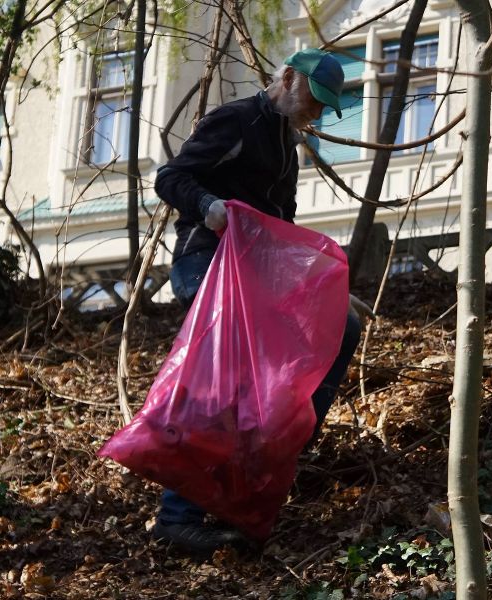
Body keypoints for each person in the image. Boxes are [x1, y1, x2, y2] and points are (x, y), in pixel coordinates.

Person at [151, 48, 362, 556]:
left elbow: (281, 228)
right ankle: (176, 517)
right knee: (227, 377)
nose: (314, 113)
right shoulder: (236, 120)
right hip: (204, 263)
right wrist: (207, 206)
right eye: (313, 98)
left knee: (345, 326)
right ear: (288, 77)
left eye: (322, 107)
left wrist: (319, 289)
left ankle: (278, 445)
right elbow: (170, 177)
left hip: (255, 275)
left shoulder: (287, 150)